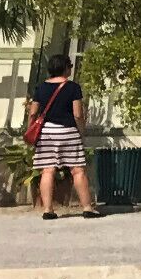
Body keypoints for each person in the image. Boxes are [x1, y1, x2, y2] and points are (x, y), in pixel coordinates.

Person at [27, 55, 99, 220]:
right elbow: (78, 114)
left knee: (47, 170)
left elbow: (33, 112)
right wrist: (81, 133)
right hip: (68, 132)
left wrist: (30, 130)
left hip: (46, 133)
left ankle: (48, 209)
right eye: (70, 66)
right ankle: (87, 207)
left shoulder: (41, 88)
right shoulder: (73, 87)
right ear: (66, 68)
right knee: (78, 170)